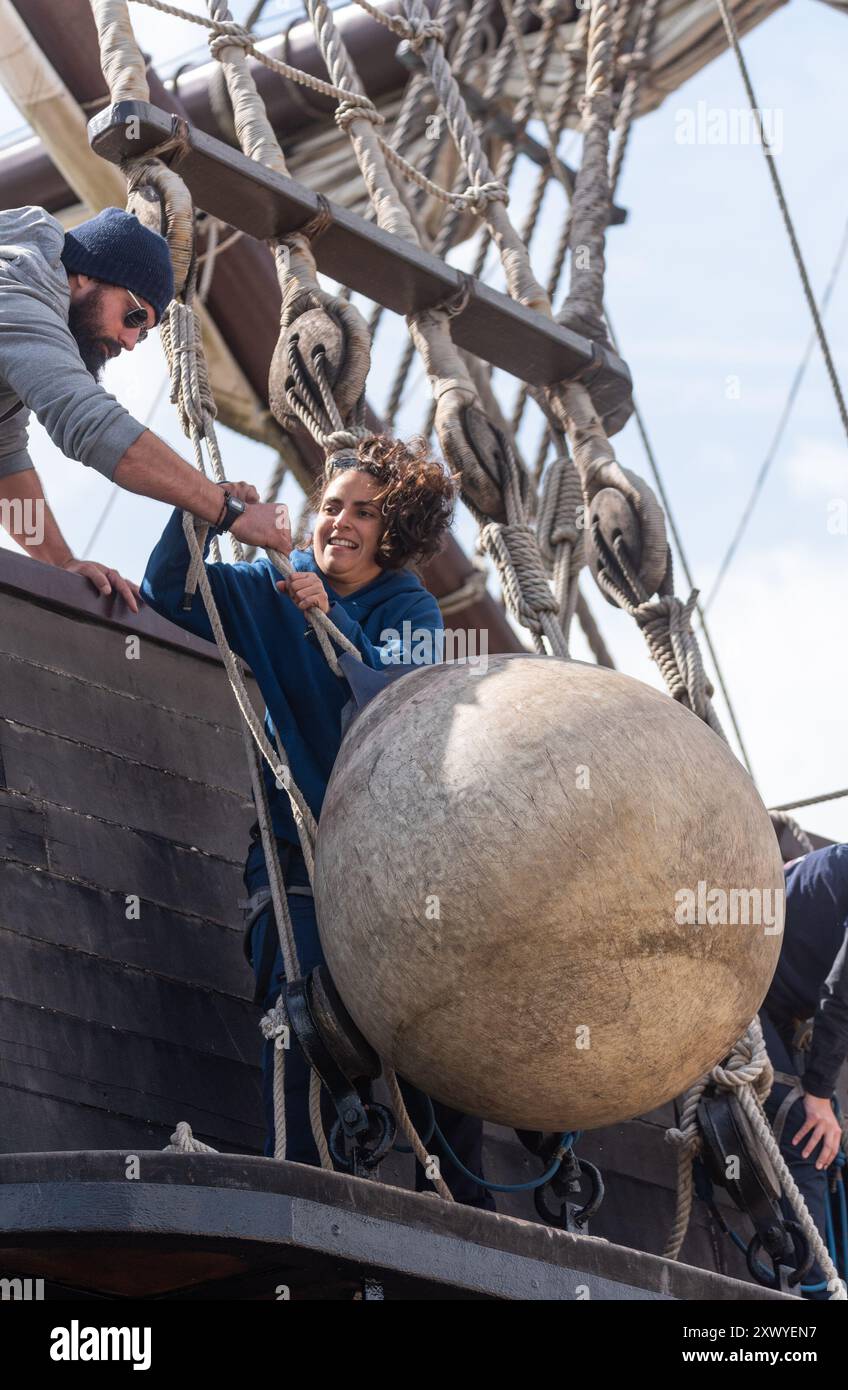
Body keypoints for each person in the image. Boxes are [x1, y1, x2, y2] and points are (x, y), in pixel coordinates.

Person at [142, 434, 495, 1209]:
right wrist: (201, 513)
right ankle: (306, 1193)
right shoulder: (273, 584)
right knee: (300, 1012)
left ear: (392, 531)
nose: (340, 522)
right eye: (331, 507)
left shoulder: (408, 606)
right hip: (294, 850)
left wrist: (331, 616)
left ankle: (464, 1212)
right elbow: (168, 593)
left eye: (363, 513)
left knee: (437, 1029)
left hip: (392, 857)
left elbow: (393, 696)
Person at [0, 205, 290, 610]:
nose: (131, 341)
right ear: (87, 274)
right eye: (133, 315)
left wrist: (60, 561)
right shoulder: (16, 295)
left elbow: (5, 463)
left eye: (144, 331)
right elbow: (92, 426)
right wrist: (231, 513)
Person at [759, 834, 848, 1294]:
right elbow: (843, 992)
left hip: (786, 1003)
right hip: (741, 982)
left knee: (831, 1151)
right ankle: (818, 1291)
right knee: (805, 1129)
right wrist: (819, 1096)